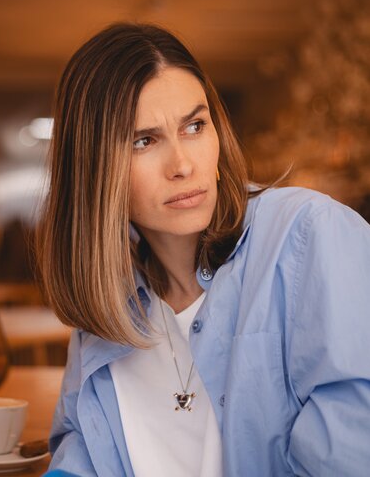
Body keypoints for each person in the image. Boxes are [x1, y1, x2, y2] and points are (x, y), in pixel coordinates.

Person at [37, 23, 370, 476]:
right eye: (143, 140)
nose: (183, 165)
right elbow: (79, 451)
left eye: (194, 126)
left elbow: (352, 444)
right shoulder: (107, 306)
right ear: (94, 170)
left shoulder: (308, 235)